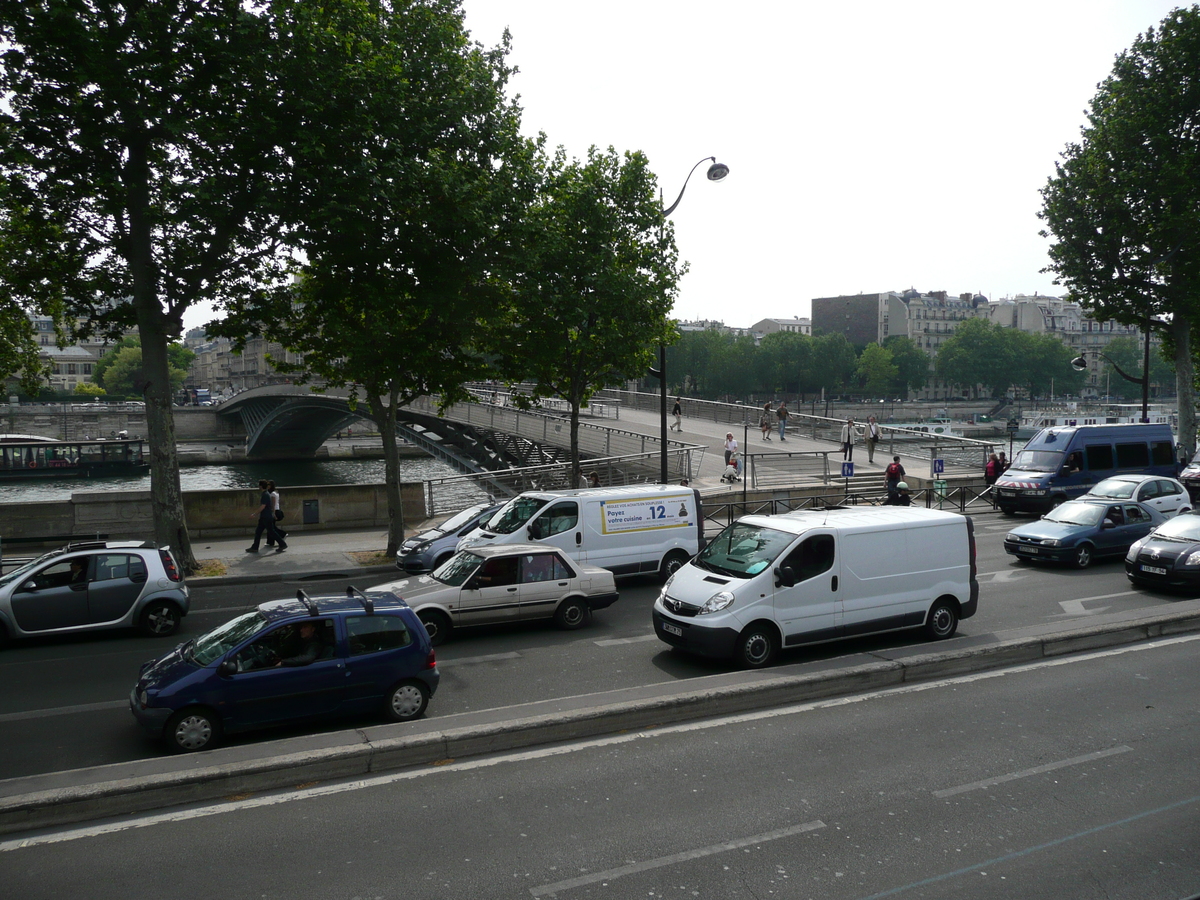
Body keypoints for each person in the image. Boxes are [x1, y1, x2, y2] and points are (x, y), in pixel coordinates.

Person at [247, 479, 287, 553]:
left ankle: (282, 544)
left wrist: (254, 514)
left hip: (266, 517)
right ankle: (255, 547)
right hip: (265, 517)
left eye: (259, 485)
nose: (258, 487)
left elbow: (263, 506)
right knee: (259, 532)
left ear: (261, 486)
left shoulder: (265, 494)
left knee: (271, 532)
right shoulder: (266, 493)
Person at [266, 479, 287, 547]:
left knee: (271, 527)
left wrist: (273, 513)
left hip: (275, 511)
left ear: (271, 486)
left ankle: (282, 534)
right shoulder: (274, 493)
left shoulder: (272, 494)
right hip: (276, 510)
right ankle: (270, 542)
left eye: (268, 484)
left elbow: (273, 504)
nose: (267, 486)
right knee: (271, 527)